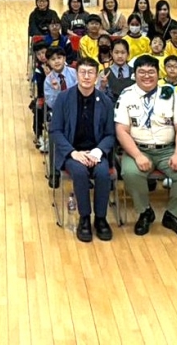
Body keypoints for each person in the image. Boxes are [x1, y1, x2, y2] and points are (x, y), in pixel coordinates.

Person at [114, 55, 177, 239]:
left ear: (158, 74)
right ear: (134, 74)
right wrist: (137, 155)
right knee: (130, 173)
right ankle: (145, 212)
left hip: (168, 149)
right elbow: (121, 130)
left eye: (151, 72)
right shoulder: (127, 95)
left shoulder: (170, 93)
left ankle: (174, 215)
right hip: (138, 148)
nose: (147, 76)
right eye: (142, 72)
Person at [49, 58, 116, 243]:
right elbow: (55, 130)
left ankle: (101, 219)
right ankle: (84, 218)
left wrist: (98, 152)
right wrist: (73, 152)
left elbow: (110, 134)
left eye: (90, 73)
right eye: (82, 72)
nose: (86, 76)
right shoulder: (64, 98)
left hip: (96, 152)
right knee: (79, 172)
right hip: (72, 152)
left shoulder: (105, 101)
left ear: (96, 76)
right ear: (76, 75)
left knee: (103, 173)